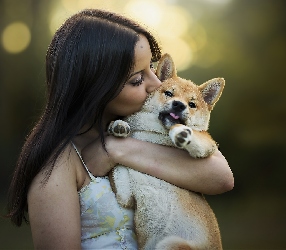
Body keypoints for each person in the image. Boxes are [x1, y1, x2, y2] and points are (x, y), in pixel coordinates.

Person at [7, 9, 234, 249]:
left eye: (153, 68)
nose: (157, 84)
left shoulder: (150, 126)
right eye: (138, 79)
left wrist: (116, 149)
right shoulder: (55, 168)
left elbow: (221, 178)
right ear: (95, 88)